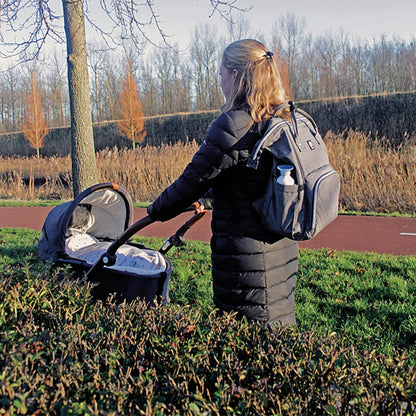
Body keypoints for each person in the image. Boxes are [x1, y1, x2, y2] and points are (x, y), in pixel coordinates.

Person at [147, 39, 298, 326]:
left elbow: (191, 181)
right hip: (282, 248)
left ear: (236, 75)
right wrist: (207, 199)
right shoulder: (283, 118)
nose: (220, 81)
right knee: (277, 325)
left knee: (246, 340)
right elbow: (246, 177)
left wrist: (156, 211)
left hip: (246, 257)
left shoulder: (234, 125)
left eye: (221, 74)